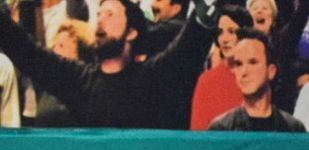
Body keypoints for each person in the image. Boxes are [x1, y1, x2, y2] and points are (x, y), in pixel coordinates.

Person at [0, 0, 211, 128]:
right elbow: (29, 53)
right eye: (99, 14)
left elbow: (187, 49)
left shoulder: (152, 77)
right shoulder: (81, 81)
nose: (100, 20)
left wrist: (206, 12)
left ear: (131, 32)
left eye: (110, 15)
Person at [207, 26, 305, 130]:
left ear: (271, 71)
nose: (244, 72)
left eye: (253, 62)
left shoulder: (293, 128)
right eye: (239, 64)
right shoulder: (221, 128)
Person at [189, 4, 247, 129]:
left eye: (231, 31)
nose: (224, 39)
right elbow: (198, 131)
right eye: (220, 32)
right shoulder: (207, 80)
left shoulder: (256, 76)